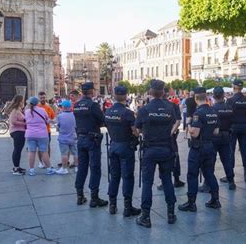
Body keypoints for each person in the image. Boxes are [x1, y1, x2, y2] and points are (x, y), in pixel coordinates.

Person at [135, 80, 179, 228]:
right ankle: (171, 213)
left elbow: (138, 130)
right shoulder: (171, 108)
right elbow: (175, 123)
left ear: (150, 92)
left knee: (147, 182)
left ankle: (146, 216)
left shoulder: (144, 109)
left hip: (150, 149)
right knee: (167, 180)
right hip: (166, 148)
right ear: (163, 91)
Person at [179, 87, 221, 212]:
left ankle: (191, 203)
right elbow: (216, 131)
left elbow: (194, 133)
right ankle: (215, 199)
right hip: (210, 146)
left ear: (196, 98)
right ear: (206, 97)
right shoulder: (213, 111)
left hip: (198, 148)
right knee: (209, 173)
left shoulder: (198, 114)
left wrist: (189, 124)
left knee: (192, 174)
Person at [104, 86, 141, 217]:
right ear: (126, 96)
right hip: (126, 146)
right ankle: (127, 207)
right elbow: (135, 131)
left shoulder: (108, 111)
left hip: (113, 145)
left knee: (114, 176)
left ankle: (112, 205)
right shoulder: (128, 113)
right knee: (127, 177)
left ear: (114, 96)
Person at [74, 82, 108, 208]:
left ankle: (79, 195)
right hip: (92, 139)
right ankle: (94, 198)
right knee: (95, 168)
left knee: (82, 168)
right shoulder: (93, 105)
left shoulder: (77, 105)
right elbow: (102, 120)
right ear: (91, 91)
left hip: (81, 139)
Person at [157, 88, 185, 190]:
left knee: (161, 157)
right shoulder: (173, 105)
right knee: (175, 155)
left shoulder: (154, 107)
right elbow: (178, 120)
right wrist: (172, 132)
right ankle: (176, 179)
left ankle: (163, 181)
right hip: (171, 135)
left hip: (159, 136)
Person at [225, 79, 246, 183]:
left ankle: (230, 177)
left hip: (233, 127)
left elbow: (227, 115)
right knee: (244, 150)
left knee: (230, 151)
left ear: (233, 86)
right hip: (244, 126)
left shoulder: (230, 100)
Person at [210, 87, 236, 190]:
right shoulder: (229, 108)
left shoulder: (213, 109)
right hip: (226, 135)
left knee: (211, 160)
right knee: (226, 160)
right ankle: (231, 181)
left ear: (214, 96)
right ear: (223, 95)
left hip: (215, 136)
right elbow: (233, 121)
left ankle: (209, 183)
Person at [25, 97, 54, 176]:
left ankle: (31, 170)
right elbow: (47, 120)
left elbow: (26, 121)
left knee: (31, 152)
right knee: (44, 151)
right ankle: (49, 169)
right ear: (37, 103)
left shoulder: (27, 112)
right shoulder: (42, 110)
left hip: (30, 134)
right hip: (42, 134)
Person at [55, 100, 78, 175]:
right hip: (73, 137)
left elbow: (58, 127)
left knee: (64, 154)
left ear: (64, 107)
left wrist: (57, 128)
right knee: (75, 153)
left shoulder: (60, 116)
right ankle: (76, 167)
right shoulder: (74, 115)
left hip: (63, 138)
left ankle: (64, 168)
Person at [6, 95, 27, 175]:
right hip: (17, 132)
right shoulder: (15, 110)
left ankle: (17, 166)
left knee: (18, 150)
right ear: (19, 101)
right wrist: (24, 123)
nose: (23, 102)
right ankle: (15, 168)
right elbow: (13, 121)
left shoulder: (18, 110)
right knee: (17, 150)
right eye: (22, 100)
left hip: (20, 131)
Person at [37, 91, 56, 168]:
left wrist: (51, 120)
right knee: (39, 147)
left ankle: (48, 161)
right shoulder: (36, 107)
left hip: (47, 130)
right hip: (38, 131)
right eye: (41, 98)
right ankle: (40, 162)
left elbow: (53, 117)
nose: (43, 99)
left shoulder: (49, 107)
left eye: (44, 97)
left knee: (47, 146)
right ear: (39, 98)